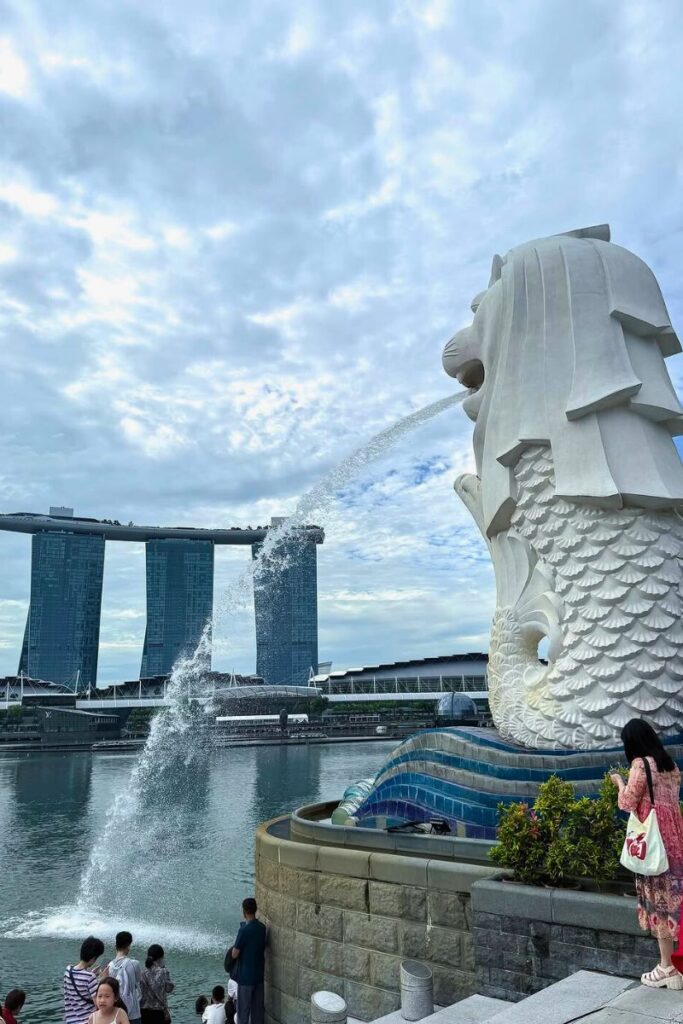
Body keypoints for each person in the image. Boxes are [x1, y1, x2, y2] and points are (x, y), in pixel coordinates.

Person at [610, 718, 683, 990]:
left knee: (660, 904)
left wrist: (619, 782)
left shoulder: (641, 765)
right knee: (677, 904)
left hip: (654, 847)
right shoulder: (672, 766)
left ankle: (666, 967)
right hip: (676, 841)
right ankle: (678, 967)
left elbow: (627, 802)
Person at [230, 898, 266, 1024]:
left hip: (245, 978)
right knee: (257, 1011)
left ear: (244, 911)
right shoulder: (262, 928)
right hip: (259, 975)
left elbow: (234, 954)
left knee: (243, 1013)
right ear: (255, 910)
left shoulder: (244, 930)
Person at [64, 936, 106, 1024]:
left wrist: (91, 974)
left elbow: (79, 982)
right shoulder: (90, 977)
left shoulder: (68, 970)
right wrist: (103, 979)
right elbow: (99, 1005)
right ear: (93, 958)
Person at [107, 932, 142, 1024]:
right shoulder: (134, 963)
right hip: (133, 1013)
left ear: (116, 945)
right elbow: (139, 982)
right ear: (128, 945)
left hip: (116, 1013)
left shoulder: (109, 966)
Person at [139, 945, 174, 1024]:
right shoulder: (163, 971)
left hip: (143, 1011)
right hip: (158, 1011)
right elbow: (169, 989)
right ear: (160, 957)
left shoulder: (142, 972)